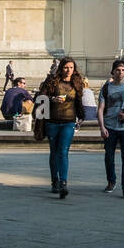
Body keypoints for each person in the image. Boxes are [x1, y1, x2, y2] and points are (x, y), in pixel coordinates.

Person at [39, 58, 84, 198]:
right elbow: (41, 98)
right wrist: (52, 99)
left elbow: (79, 101)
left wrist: (81, 116)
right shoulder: (52, 81)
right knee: (54, 151)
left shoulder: (77, 83)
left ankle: (63, 182)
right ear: (61, 68)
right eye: (66, 67)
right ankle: (55, 181)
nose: (68, 70)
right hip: (52, 121)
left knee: (63, 151)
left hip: (68, 122)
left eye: (71, 67)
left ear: (74, 69)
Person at [98, 59, 124, 198]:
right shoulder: (106, 88)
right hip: (110, 127)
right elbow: (100, 109)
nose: (120, 73)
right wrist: (102, 127)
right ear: (113, 72)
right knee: (109, 157)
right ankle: (111, 181)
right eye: (117, 70)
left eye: (123, 70)